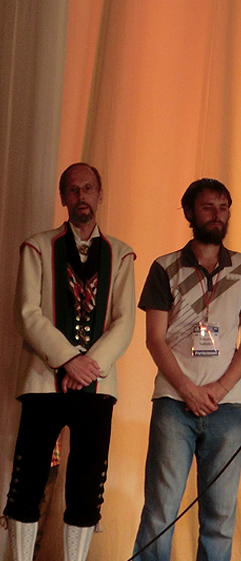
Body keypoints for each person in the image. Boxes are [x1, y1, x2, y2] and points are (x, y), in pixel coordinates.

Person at [4, 163, 135, 561]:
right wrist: (67, 360)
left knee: (87, 481)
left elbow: (125, 320)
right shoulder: (37, 246)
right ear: (63, 198)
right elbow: (26, 313)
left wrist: (87, 365)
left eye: (88, 188)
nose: (82, 196)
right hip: (44, 381)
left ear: (99, 194)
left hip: (97, 385)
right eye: (73, 190)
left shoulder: (121, 253)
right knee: (29, 479)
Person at [132, 178, 241, 561]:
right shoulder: (165, 267)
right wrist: (189, 390)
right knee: (160, 511)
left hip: (227, 408)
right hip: (174, 404)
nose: (218, 215)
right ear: (190, 213)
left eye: (224, 207)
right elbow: (154, 339)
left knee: (220, 517)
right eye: (208, 207)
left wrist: (221, 388)